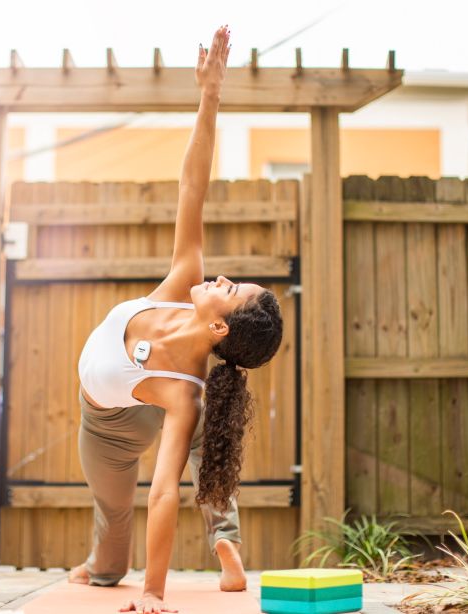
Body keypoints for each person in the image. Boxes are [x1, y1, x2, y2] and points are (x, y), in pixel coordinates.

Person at [69, 25, 284, 614]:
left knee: (168, 458)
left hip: (111, 427)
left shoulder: (184, 393)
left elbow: (162, 493)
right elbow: (194, 182)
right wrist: (210, 95)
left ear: (221, 329)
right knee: (111, 534)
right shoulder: (179, 281)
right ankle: (142, 558)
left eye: (231, 289)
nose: (220, 278)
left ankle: (148, 562)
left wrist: (156, 593)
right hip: (119, 412)